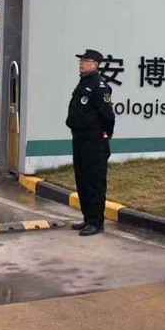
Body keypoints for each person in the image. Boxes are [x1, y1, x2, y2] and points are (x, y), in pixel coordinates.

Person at [65, 49, 115, 236]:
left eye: (86, 61)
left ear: (95, 64)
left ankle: (96, 222)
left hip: (94, 140)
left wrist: (107, 133)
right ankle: (87, 218)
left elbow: (107, 114)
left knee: (94, 181)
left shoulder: (99, 86)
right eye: (81, 60)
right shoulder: (84, 82)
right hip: (79, 138)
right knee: (82, 179)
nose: (82, 63)